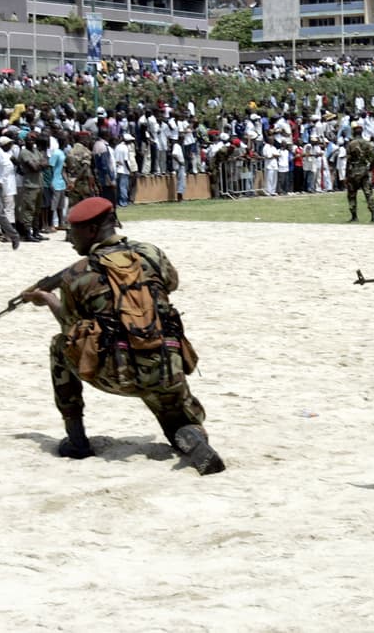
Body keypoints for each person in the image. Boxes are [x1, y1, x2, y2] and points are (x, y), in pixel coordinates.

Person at [19, 197, 225, 475]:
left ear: (92, 231)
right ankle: (192, 437)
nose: (70, 240)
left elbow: (71, 329)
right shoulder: (151, 253)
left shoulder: (77, 274)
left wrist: (47, 298)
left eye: (73, 232)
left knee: (59, 346)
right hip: (166, 368)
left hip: (117, 374)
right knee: (176, 417)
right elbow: (171, 283)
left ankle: (77, 440)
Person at [343, 122, 374, 222]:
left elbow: (348, 161)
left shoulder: (351, 144)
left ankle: (354, 216)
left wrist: (346, 175)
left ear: (353, 132)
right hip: (364, 171)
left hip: (353, 171)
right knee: (368, 193)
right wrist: (371, 167)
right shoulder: (367, 144)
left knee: (352, 194)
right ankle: (373, 215)